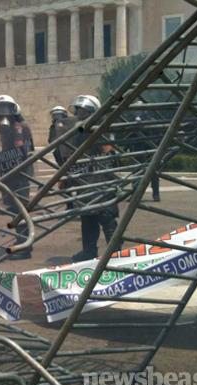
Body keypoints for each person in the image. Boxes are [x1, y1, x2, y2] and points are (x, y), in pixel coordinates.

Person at [64, 95, 122, 262]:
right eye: (79, 111)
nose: (81, 114)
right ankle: (89, 251)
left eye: (84, 111)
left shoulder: (100, 128)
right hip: (85, 179)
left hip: (101, 178)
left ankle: (115, 252)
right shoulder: (79, 132)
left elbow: (108, 152)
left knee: (106, 215)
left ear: (92, 112)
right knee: (87, 216)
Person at [0, 95, 33, 260]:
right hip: (11, 174)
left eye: (5, 108)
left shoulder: (18, 127)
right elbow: (9, 152)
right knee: (15, 210)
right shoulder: (6, 129)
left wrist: (6, 159)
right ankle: (22, 241)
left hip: (20, 175)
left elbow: (20, 153)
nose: (3, 113)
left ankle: (24, 247)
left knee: (21, 210)